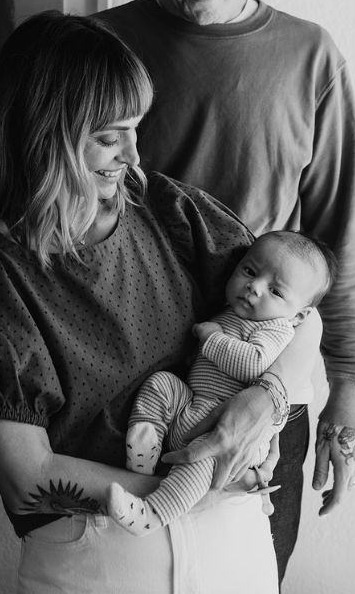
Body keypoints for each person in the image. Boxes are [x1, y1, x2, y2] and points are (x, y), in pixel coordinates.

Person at [0, 0, 355, 583]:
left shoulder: (307, 58)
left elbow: (335, 247)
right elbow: (4, 188)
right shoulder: (96, 53)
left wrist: (333, 394)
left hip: (264, 383)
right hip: (110, 468)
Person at [0, 10, 320, 594]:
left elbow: (301, 318)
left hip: (231, 543)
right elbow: (26, 477)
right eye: (108, 138)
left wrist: (266, 400)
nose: (133, 156)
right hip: (100, 557)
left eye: (136, 129)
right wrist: (192, 485)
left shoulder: (169, 212)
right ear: (44, 135)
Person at [107, 230, 337, 537]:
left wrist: (211, 339)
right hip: (192, 406)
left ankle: (152, 514)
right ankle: (145, 449)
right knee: (162, 385)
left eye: (276, 291)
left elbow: (252, 363)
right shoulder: (232, 311)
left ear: (300, 316)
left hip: (231, 432)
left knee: (203, 466)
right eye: (250, 271)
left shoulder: (277, 329)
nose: (254, 287)